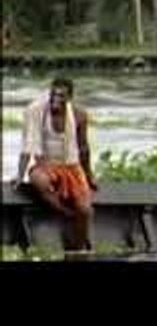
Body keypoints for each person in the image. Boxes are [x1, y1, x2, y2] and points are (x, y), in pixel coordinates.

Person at [11, 77, 97, 251]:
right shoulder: (37, 111)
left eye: (61, 96)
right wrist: (20, 176)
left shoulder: (79, 115)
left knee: (85, 210)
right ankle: (64, 213)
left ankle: (77, 249)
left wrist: (89, 175)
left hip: (71, 167)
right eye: (53, 95)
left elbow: (84, 148)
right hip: (47, 166)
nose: (56, 100)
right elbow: (28, 145)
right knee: (38, 179)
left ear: (70, 97)